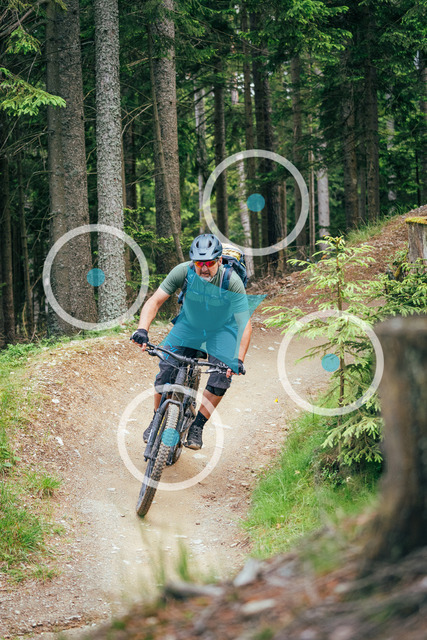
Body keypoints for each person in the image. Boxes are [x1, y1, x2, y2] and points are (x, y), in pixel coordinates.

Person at [131, 233, 252, 450]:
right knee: (166, 370)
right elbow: (154, 301)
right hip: (189, 325)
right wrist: (142, 329)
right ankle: (157, 418)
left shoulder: (231, 280)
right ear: (192, 261)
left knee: (221, 377)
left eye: (209, 263)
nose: (204, 268)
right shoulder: (182, 271)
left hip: (221, 330)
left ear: (219, 261)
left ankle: (198, 425)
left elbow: (245, 323)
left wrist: (239, 359)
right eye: (199, 263)